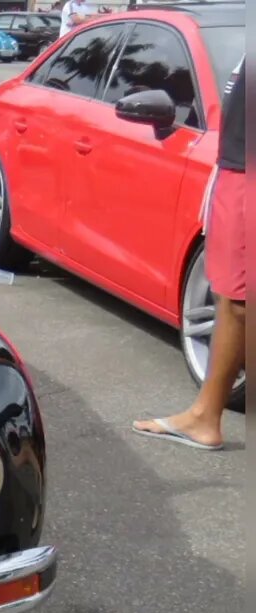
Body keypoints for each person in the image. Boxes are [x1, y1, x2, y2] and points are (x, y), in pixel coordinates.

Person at [133, 56, 246, 451]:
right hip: (234, 172)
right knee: (232, 298)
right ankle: (204, 415)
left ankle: (205, 418)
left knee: (237, 302)